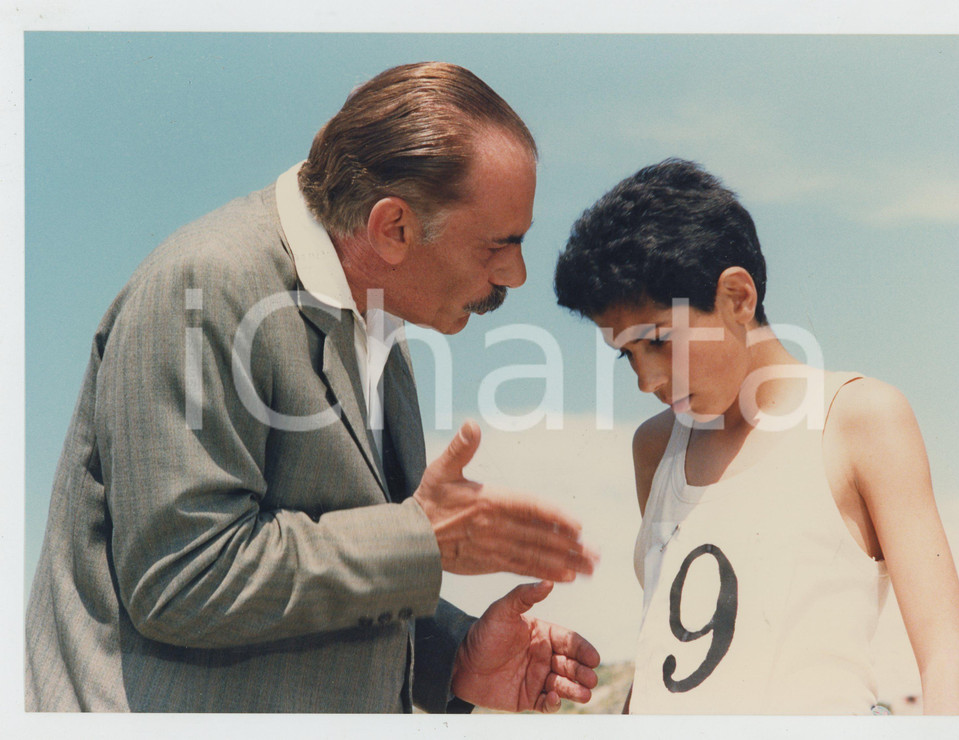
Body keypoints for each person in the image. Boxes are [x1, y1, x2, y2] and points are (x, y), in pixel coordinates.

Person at [26, 62, 601, 713]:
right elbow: (184, 577)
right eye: (498, 244)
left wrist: (457, 656)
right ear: (393, 227)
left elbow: (333, 567)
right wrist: (421, 541)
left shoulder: (377, 327)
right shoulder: (207, 285)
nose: (516, 274)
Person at [553, 158, 959, 714]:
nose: (646, 380)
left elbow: (947, 654)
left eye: (657, 341)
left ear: (737, 297)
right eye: (626, 355)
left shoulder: (857, 418)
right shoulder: (656, 449)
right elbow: (666, 650)